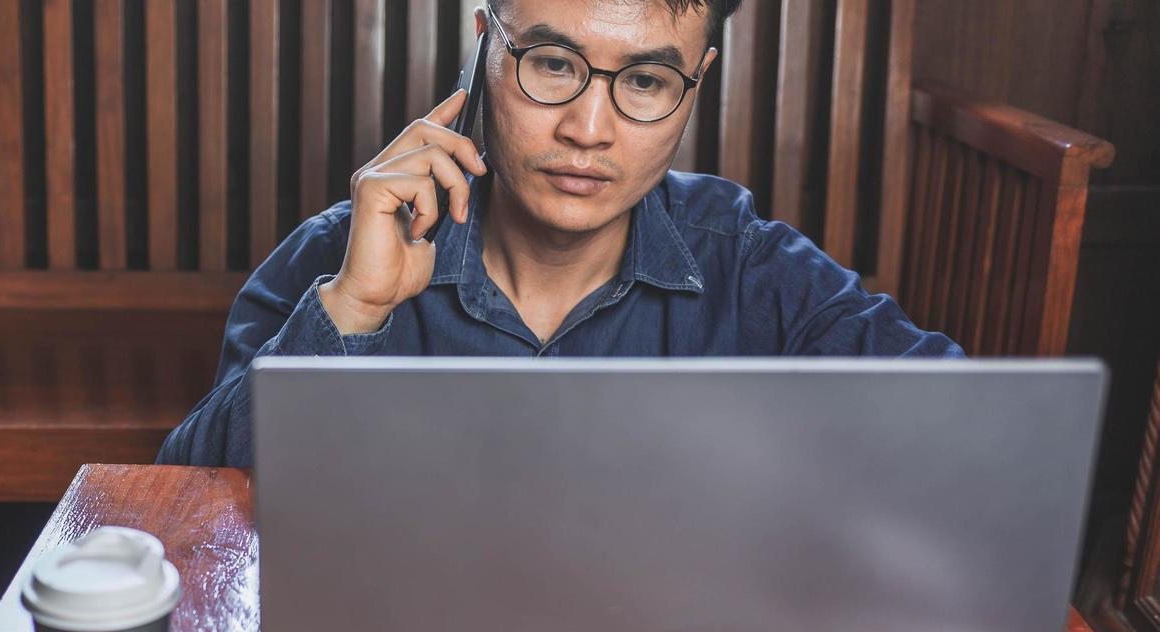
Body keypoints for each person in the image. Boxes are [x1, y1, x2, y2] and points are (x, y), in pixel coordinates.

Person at [157, 0, 962, 468]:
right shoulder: (344, 255)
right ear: (484, 50)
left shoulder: (749, 267)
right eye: (550, 64)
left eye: (645, 81)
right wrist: (353, 310)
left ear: (696, 85)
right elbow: (189, 511)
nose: (588, 128)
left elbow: (962, 437)